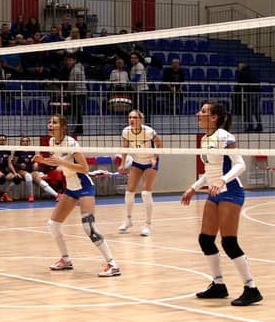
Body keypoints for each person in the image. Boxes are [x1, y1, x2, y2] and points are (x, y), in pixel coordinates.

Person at [181, 102, 262, 306]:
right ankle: (218, 285)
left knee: (229, 242)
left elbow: (240, 165)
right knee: (205, 240)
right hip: (214, 192)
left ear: (214, 117)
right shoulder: (204, 139)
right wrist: (193, 187)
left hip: (231, 191)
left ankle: (251, 288)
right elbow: (210, 172)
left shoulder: (224, 137)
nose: (198, 114)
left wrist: (223, 180)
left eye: (203, 112)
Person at [34, 114, 121, 276]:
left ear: (63, 127)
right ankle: (66, 260)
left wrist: (61, 162)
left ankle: (112, 264)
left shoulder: (72, 143)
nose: (50, 125)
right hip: (71, 188)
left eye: (54, 122)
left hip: (84, 186)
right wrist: (43, 161)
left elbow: (84, 168)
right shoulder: (52, 142)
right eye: (49, 122)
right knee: (53, 225)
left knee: (89, 227)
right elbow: (58, 164)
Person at [117, 110, 163, 237]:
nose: (132, 120)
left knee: (145, 193)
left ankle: (148, 225)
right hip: (137, 161)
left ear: (140, 120)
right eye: (130, 117)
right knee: (129, 191)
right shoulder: (126, 131)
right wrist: (122, 163)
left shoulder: (148, 132)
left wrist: (154, 157)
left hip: (150, 162)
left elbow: (159, 144)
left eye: (135, 118)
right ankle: (128, 220)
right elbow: (125, 148)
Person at [11, 135, 59, 202]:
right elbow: (14, 163)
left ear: (29, 142)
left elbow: (33, 161)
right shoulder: (18, 151)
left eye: (26, 141)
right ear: (21, 142)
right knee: (28, 176)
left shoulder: (32, 150)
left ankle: (57, 195)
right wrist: (20, 165)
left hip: (31, 170)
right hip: (21, 171)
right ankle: (31, 195)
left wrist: (35, 164)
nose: (25, 142)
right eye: (23, 141)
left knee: (41, 182)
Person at [235, 62, 262, 132]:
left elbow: (240, 84)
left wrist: (238, 93)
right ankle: (259, 126)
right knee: (256, 111)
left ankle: (250, 126)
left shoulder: (242, 73)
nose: (237, 69)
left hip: (249, 94)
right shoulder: (252, 72)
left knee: (248, 111)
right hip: (257, 93)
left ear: (241, 67)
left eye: (238, 67)